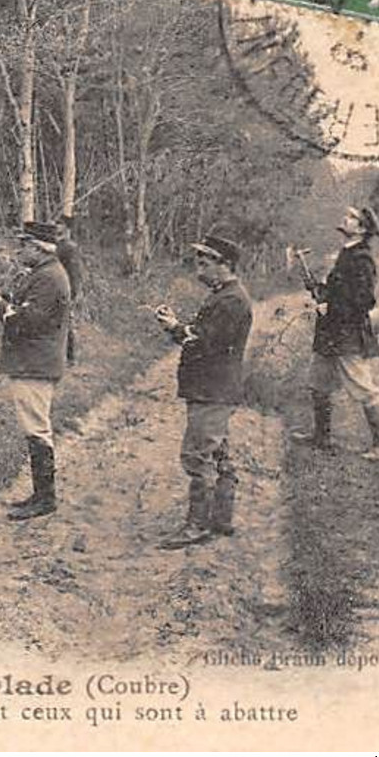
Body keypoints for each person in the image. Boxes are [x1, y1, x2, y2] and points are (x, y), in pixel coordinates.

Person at [153, 235, 255, 550]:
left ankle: (198, 525)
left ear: (224, 265)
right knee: (218, 452)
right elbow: (200, 337)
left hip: (213, 389)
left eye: (205, 263)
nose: (199, 269)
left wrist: (175, 328)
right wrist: (176, 327)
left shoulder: (231, 301)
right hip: (213, 388)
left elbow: (203, 343)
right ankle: (221, 519)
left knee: (198, 456)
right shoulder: (224, 295)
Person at [0, 221, 71, 521]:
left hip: (35, 364)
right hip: (34, 362)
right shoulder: (45, 274)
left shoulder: (49, 278)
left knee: (36, 429)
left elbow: (28, 321)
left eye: (24, 245)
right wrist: (1, 295)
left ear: (38, 248)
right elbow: (24, 307)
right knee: (35, 428)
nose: (20, 251)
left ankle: (45, 498)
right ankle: (41, 495)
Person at [291, 205, 379, 460]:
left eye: (352, 218)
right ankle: (321, 437)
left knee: (364, 388)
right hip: (329, 333)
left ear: (361, 228)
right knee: (318, 383)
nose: (345, 219)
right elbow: (340, 291)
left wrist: (332, 307)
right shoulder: (346, 253)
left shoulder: (363, 258)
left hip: (347, 334)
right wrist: (319, 290)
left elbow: (363, 301)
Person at [55, 215, 85, 366]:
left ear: (67, 228)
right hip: (55, 288)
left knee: (68, 323)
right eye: (56, 223)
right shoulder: (55, 245)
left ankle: (71, 357)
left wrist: (73, 293)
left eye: (60, 224)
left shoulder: (70, 247)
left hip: (66, 289)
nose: (56, 226)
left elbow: (74, 272)